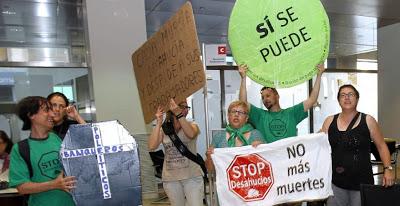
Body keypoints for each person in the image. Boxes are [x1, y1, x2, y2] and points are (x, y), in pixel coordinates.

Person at [320, 84, 395, 206]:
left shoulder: (368, 120)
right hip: (335, 183)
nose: (347, 98)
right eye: (343, 95)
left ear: (357, 98)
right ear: (338, 100)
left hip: (361, 183)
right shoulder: (329, 121)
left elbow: (381, 146)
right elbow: (316, 144)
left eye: (350, 94)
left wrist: (388, 169)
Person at [9, 96, 76, 206]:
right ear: (31, 115)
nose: (52, 113)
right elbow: (22, 187)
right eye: (46, 110)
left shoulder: (57, 139)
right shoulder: (21, 149)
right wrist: (54, 184)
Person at [239, 64, 325, 143]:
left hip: (289, 158)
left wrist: (319, 75)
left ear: (277, 96)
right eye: (263, 97)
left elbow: (312, 100)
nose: (265, 99)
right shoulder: (260, 116)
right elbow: (242, 104)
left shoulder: (291, 113)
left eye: (268, 95)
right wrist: (243, 78)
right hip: (269, 159)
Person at [148, 98, 203, 206]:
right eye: (182, 106)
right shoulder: (165, 129)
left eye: (186, 107)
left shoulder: (192, 125)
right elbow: (151, 146)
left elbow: (191, 134)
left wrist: (179, 113)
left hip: (191, 176)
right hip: (171, 178)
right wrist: (158, 122)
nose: (185, 109)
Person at [205, 100, 264, 172]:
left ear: (247, 118)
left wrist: (262, 149)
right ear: (228, 116)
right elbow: (210, 169)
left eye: (241, 112)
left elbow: (265, 163)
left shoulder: (256, 134)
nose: (236, 114)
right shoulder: (218, 137)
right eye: (233, 111)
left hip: (250, 181)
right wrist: (209, 157)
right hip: (227, 182)